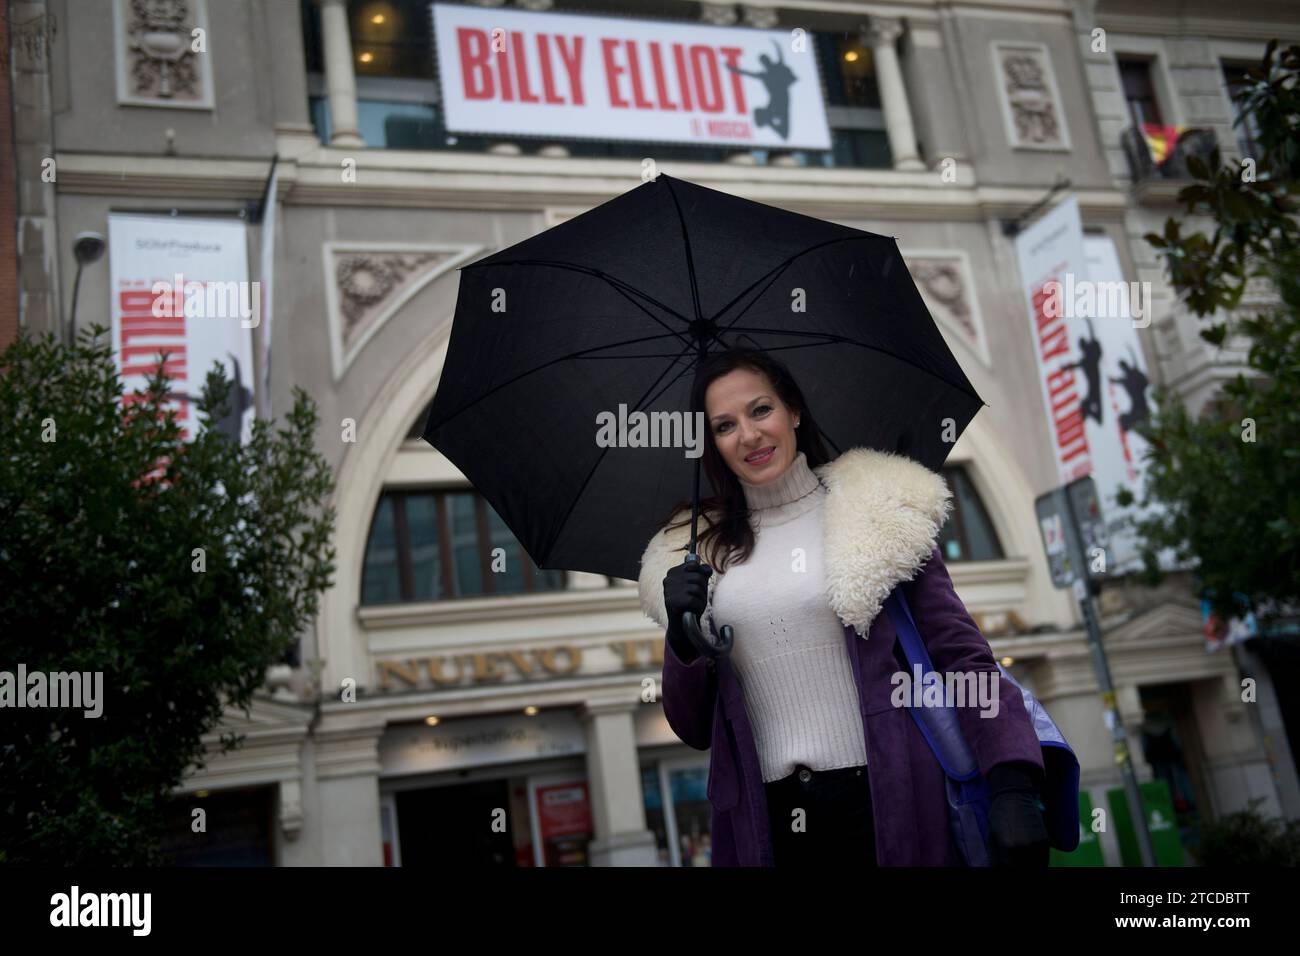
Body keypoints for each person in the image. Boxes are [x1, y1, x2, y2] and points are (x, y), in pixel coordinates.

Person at [637, 348, 1050, 867]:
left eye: (760, 410)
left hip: (888, 803)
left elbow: (963, 660)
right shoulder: (699, 556)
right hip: (768, 825)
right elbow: (694, 728)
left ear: (793, 411)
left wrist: (1012, 780)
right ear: (713, 445)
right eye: (724, 425)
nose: (748, 435)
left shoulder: (878, 517)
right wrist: (681, 635)